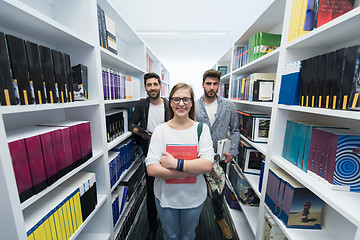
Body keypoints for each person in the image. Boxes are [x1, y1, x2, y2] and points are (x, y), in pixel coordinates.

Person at [145, 82, 214, 240]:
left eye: (186, 99)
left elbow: (207, 165)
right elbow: (152, 169)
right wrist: (191, 169)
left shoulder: (201, 129)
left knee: (188, 235)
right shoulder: (160, 130)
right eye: (176, 99)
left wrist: (175, 164)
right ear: (170, 102)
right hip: (165, 197)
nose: (181, 104)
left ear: (191, 103)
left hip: (194, 197)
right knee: (170, 235)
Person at [195, 69, 240, 239]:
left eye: (215, 84)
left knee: (218, 190)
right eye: (208, 83)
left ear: (219, 85)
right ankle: (196, 218)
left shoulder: (229, 106)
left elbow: (235, 130)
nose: (211, 87)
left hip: (219, 157)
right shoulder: (194, 104)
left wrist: (233, 151)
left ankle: (219, 217)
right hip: (198, 157)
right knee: (196, 188)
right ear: (203, 84)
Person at [128, 72, 169, 240]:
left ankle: (169, 223)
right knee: (151, 193)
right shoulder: (142, 105)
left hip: (168, 154)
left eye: (155, 84)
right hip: (149, 155)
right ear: (145, 87)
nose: (152, 88)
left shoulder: (168, 104)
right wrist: (143, 134)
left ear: (160, 86)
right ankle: (153, 226)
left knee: (169, 189)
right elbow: (131, 125)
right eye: (149, 85)